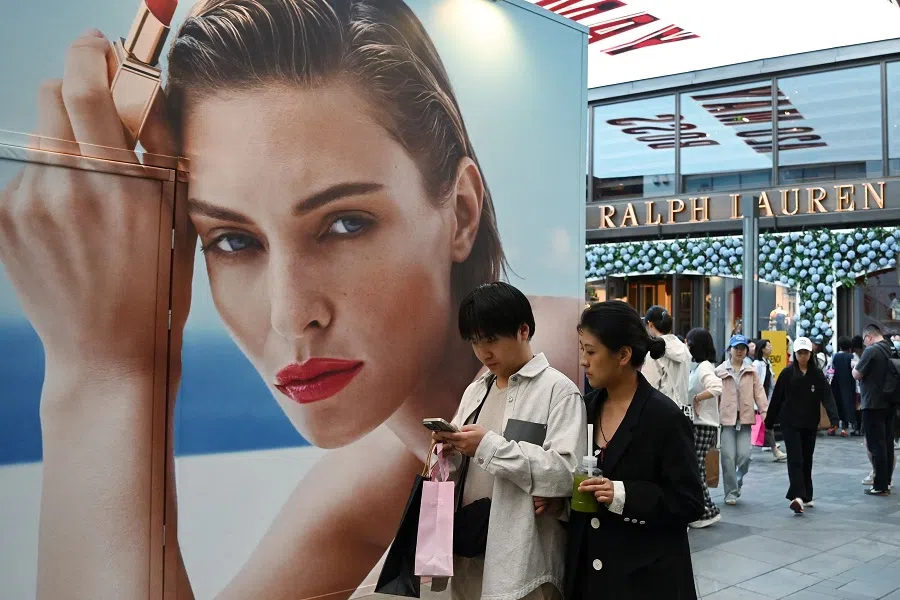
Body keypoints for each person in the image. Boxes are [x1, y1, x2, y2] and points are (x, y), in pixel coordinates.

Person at [0, 1, 582, 598]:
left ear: (460, 212)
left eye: (345, 224)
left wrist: (102, 377)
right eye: (232, 240)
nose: (289, 313)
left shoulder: (561, 371)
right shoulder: (389, 473)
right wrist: (103, 365)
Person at [434, 283, 586, 600]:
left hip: (524, 567)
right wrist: (452, 449)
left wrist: (488, 446)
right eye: (474, 342)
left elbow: (565, 474)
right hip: (469, 552)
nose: (483, 352)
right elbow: (472, 465)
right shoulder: (476, 390)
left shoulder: (558, 392)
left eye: (491, 340)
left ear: (523, 330)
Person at [565, 301, 704, 599]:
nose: (583, 361)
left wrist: (623, 494)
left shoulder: (664, 418)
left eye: (591, 351)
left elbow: (690, 502)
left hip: (646, 580)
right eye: (581, 350)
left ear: (624, 355)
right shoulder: (585, 409)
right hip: (589, 577)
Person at [765, 337, 839, 513]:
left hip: (809, 422)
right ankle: (797, 496)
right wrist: (769, 422)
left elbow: (827, 396)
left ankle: (807, 494)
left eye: (806, 353)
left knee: (807, 457)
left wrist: (834, 419)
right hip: (790, 422)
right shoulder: (787, 373)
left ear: (810, 354)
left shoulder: (817, 374)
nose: (803, 356)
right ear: (795, 354)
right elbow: (777, 399)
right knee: (795, 458)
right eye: (800, 353)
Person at [716, 334, 769, 506]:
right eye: (736, 348)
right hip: (726, 420)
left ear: (747, 350)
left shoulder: (751, 371)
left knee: (745, 456)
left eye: (742, 348)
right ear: (729, 350)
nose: (739, 351)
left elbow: (760, 394)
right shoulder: (720, 371)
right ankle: (730, 491)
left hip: (745, 420)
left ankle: (737, 479)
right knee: (728, 457)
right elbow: (714, 394)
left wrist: (766, 413)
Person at [686, 328, 724, 529]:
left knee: (697, 469)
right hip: (699, 424)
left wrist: (697, 399)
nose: (686, 346)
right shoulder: (698, 367)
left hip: (703, 425)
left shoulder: (704, 367)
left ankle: (707, 511)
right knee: (696, 468)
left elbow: (717, 387)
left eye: (689, 342)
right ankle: (704, 510)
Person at [854, 325, 896, 496]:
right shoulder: (890, 348)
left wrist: (854, 367)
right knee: (887, 444)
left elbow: (857, 374)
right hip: (890, 401)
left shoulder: (871, 351)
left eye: (865, 340)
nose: (865, 343)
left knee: (875, 445)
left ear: (869, 337)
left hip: (872, 403)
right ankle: (886, 481)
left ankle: (880, 485)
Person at [642, 306, 691, 409]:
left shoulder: (655, 351)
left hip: (662, 411)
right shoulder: (684, 348)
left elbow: (647, 387)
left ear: (650, 324)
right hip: (681, 411)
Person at [752, 339, 788, 461]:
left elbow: (771, 383)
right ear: (762, 349)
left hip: (766, 400)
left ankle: (772, 448)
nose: (771, 347)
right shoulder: (757, 364)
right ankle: (774, 450)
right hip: (757, 401)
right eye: (768, 346)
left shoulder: (767, 363)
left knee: (767, 426)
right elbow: (755, 383)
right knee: (766, 426)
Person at [831, 336, 859, 436]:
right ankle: (844, 428)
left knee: (837, 404)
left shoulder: (835, 356)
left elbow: (831, 369)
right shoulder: (851, 357)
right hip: (848, 384)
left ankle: (834, 426)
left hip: (836, 384)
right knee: (847, 404)